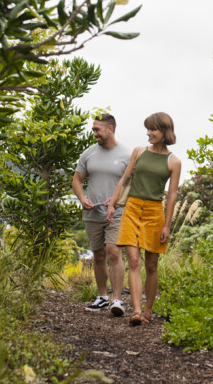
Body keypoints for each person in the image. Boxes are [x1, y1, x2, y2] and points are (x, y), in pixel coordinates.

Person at [108, 112, 181, 326]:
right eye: (147, 129)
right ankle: (136, 311)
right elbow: (126, 177)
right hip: (132, 208)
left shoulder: (173, 161)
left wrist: (167, 225)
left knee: (151, 265)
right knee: (133, 260)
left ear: (165, 131)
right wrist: (112, 203)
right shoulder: (138, 152)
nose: (148, 133)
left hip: (154, 212)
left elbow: (173, 194)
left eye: (153, 129)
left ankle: (148, 310)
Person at [72, 113, 132, 316]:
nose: (94, 132)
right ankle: (101, 298)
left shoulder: (127, 154)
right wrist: (82, 198)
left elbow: (132, 184)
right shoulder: (88, 153)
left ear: (110, 129)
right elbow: (77, 180)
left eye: (97, 129)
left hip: (117, 213)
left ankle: (117, 301)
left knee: (113, 252)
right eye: (93, 129)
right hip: (92, 213)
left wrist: (116, 201)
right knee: (98, 255)